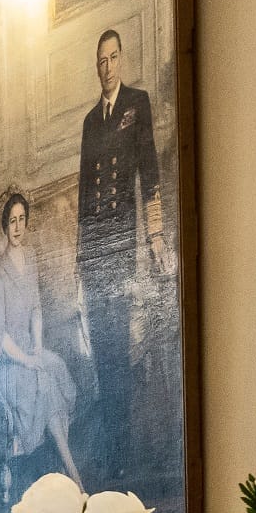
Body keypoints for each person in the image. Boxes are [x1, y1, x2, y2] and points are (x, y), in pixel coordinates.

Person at [73, 28, 164, 476]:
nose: (107, 68)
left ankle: (124, 457)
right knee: (102, 353)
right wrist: (79, 260)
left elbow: (150, 172)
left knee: (122, 349)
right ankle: (111, 455)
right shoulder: (92, 121)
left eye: (112, 58)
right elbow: (84, 194)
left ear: (121, 60)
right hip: (94, 251)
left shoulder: (136, 104)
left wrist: (156, 235)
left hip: (123, 246)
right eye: (101, 61)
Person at [0, 194, 81, 498]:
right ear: (5, 226)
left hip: (30, 347)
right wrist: (28, 360)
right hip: (10, 362)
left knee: (55, 368)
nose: (17, 227)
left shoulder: (30, 257)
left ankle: (67, 472)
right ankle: (73, 477)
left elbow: (37, 308)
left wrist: (38, 349)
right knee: (43, 382)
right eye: (12, 221)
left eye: (22, 220)